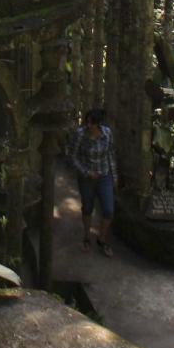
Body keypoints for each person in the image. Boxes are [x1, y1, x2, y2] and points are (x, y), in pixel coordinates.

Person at [69, 107, 118, 258]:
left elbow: (110, 154)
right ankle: (86, 237)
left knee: (108, 210)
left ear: (98, 124)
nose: (88, 125)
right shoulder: (80, 135)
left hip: (104, 175)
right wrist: (86, 172)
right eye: (87, 122)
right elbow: (72, 156)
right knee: (88, 207)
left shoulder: (107, 133)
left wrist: (114, 176)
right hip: (87, 178)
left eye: (92, 123)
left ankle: (102, 239)